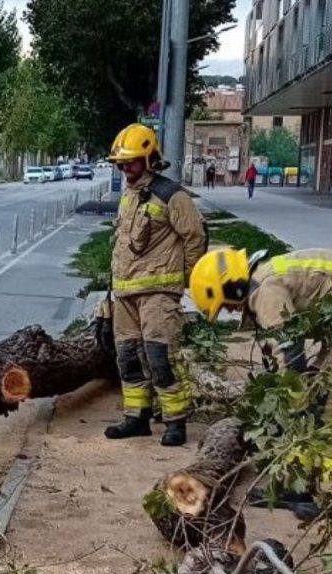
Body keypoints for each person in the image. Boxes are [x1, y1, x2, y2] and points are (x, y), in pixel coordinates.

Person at [191, 247, 332, 515]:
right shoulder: (266, 278)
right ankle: (302, 485)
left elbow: (288, 352)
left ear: (232, 287)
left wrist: (293, 402)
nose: (231, 311)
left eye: (225, 305)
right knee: (318, 384)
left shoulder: (264, 290)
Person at [104, 123, 208, 447]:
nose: (126, 168)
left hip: (158, 294)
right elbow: (121, 242)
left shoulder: (171, 195)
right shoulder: (129, 196)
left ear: (149, 158)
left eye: (132, 162)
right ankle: (136, 418)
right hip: (125, 293)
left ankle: (175, 422)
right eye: (121, 163)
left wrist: (187, 277)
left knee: (160, 358)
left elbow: (195, 237)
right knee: (127, 358)